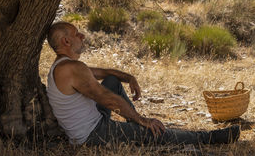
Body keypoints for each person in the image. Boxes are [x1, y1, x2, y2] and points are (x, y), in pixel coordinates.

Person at [46, 21, 240, 146]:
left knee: (113, 81)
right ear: (66, 41)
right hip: (92, 134)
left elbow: (105, 73)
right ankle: (208, 138)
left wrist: (129, 77)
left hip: (93, 119)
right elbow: (109, 100)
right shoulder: (70, 69)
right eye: (76, 34)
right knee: (154, 133)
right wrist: (142, 120)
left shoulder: (66, 65)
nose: (82, 36)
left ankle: (137, 128)